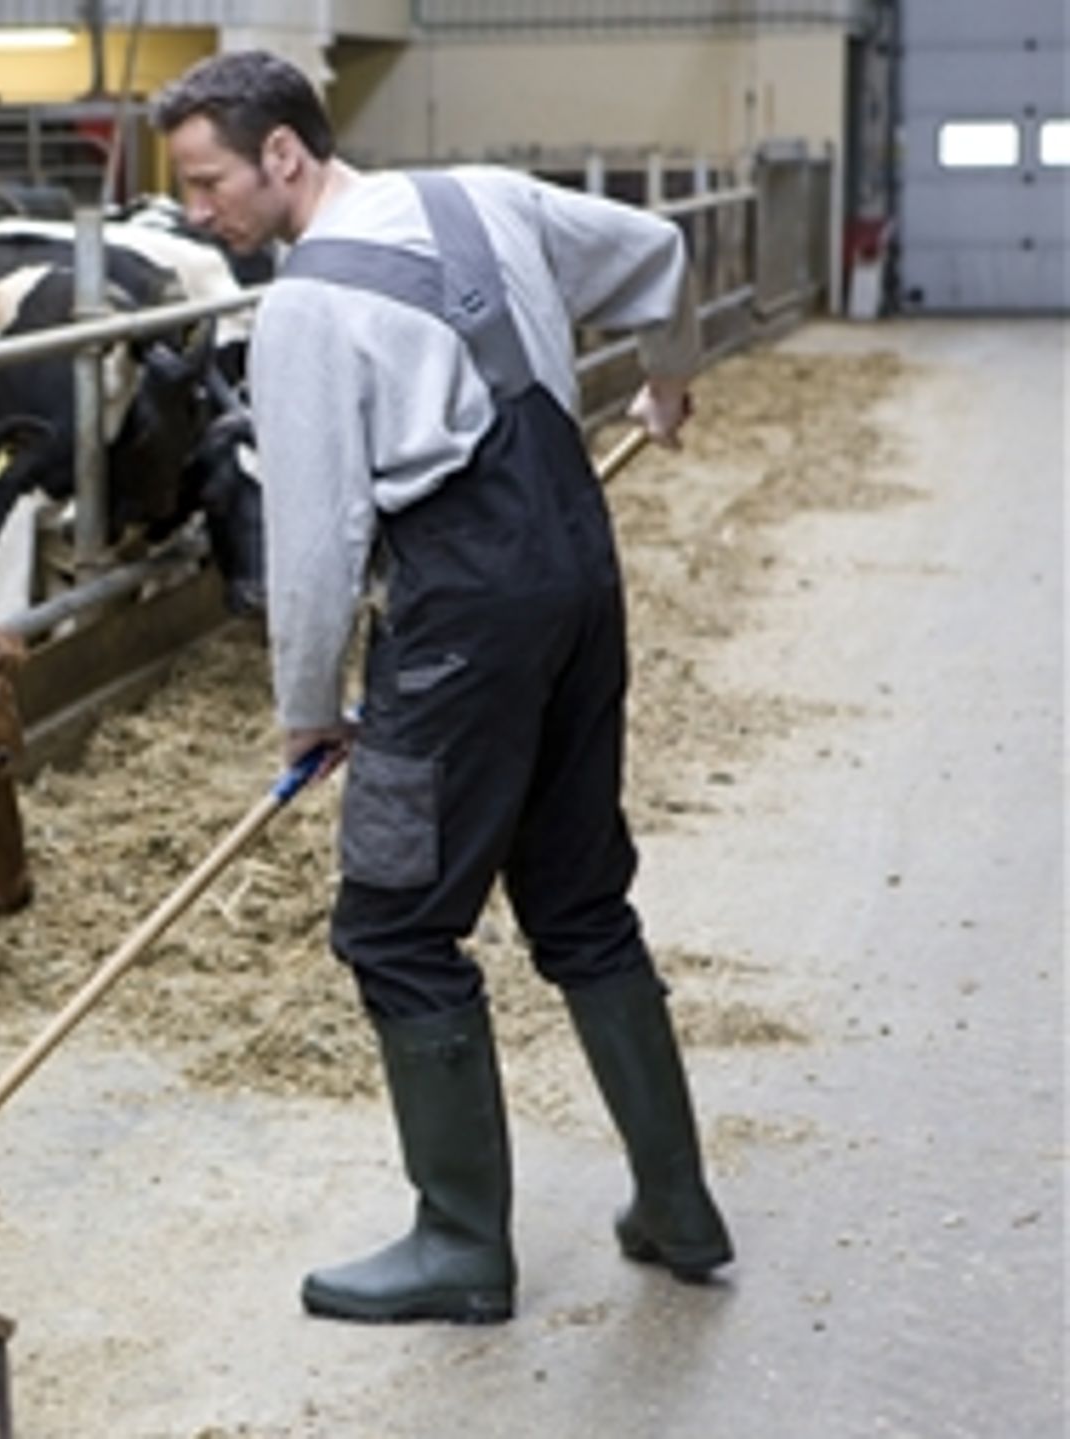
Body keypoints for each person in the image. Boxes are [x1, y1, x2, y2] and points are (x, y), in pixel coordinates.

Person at [151, 50, 732, 1324]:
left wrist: (309, 706)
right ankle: (679, 1205)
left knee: (395, 927)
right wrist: (670, 375)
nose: (199, 214)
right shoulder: (484, 196)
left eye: (207, 184)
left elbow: (312, 543)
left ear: (284, 155)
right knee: (579, 901)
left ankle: (461, 1242)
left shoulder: (301, 312)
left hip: (462, 616)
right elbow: (657, 254)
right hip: (578, 571)